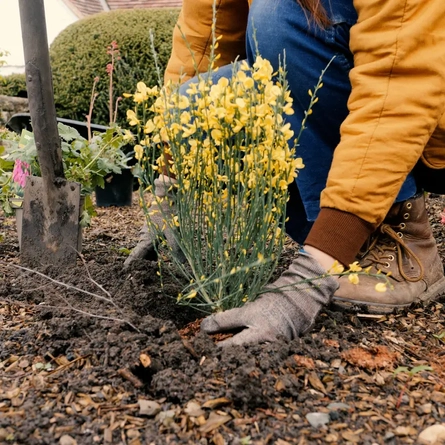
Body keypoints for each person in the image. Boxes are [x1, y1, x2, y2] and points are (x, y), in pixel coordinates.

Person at [125, 0, 445, 346]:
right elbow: (205, 40)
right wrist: (168, 192)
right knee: (194, 103)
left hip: (422, 115)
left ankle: (400, 235)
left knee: (279, 19)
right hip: (375, 95)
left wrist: (306, 283)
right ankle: (347, 242)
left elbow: (398, 84)